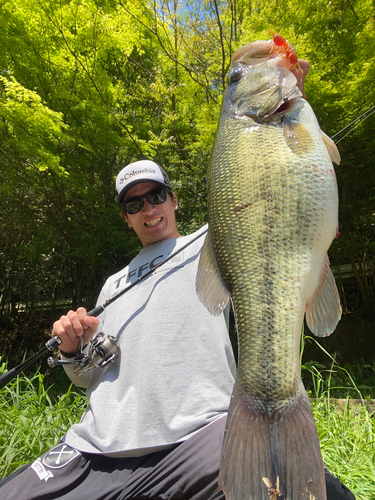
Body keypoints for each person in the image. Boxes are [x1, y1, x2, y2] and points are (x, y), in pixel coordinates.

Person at [0, 72, 355, 500]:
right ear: (126, 217)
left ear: (173, 199)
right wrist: (75, 349)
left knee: (299, 489)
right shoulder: (113, 284)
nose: (148, 209)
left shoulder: (217, 238)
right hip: (96, 449)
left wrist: (287, 94)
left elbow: (273, 188)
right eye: (135, 203)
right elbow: (86, 376)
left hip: (200, 439)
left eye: (156, 196)